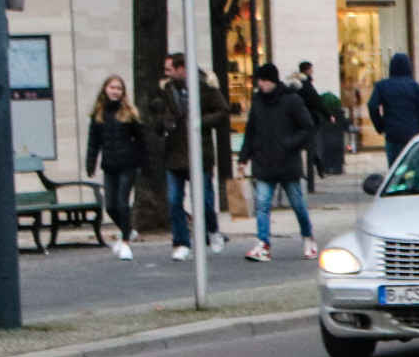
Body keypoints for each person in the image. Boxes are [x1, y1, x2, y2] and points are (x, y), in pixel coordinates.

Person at [142, 52, 229, 262]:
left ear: (182, 69)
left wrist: (201, 121)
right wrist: (162, 125)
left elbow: (223, 111)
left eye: (170, 69)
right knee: (174, 201)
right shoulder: (166, 91)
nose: (167, 74)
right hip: (173, 154)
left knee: (205, 201)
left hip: (199, 154)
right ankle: (181, 242)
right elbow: (157, 116)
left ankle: (213, 230)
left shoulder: (205, 88)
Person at [239, 63, 317, 262]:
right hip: (264, 161)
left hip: (286, 162)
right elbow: (251, 131)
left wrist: (289, 144)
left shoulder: (291, 100)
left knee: (297, 203)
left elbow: (308, 127)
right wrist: (243, 159)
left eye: (265, 80)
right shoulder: (257, 102)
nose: (261, 84)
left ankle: (308, 237)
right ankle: (263, 243)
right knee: (263, 204)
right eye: (260, 81)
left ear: (273, 80)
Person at [83, 74, 148, 260]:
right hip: (109, 164)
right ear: (105, 89)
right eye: (112, 87)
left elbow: (142, 140)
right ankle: (127, 230)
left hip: (128, 163)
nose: (115, 91)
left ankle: (126, 242)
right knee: (110, 206)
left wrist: (144, 163)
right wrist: (91, 163)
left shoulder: (129, 113)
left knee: (122, 203)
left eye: (119, 88)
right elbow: (93, 142)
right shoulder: (99, 114)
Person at [364, 52, 419, 167]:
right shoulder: (415, 87)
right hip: (413, 134)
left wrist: (380, 126)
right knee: (413, 168)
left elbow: (372, 106)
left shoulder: (382, 85)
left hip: (393, 133)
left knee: (395, 170)